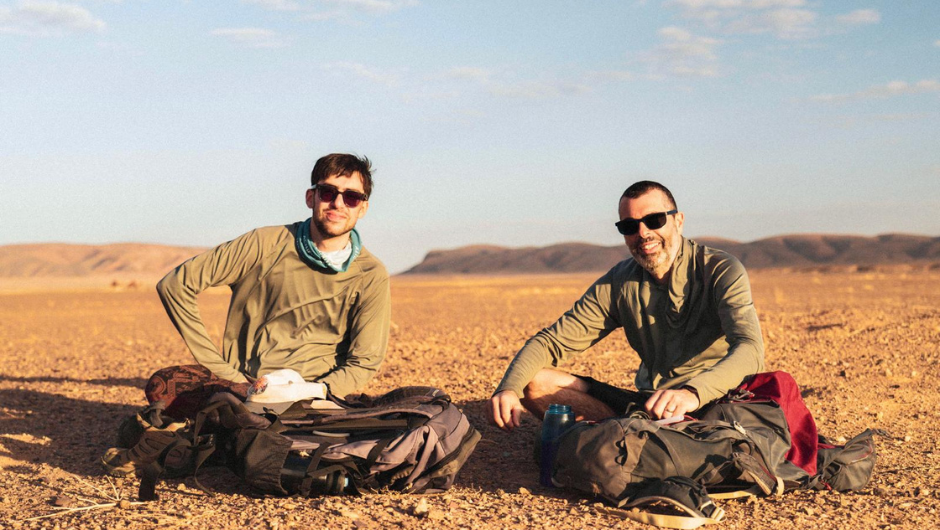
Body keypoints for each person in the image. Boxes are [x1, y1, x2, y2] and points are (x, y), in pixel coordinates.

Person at [488, 181, 764, 430]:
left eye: (654, 220)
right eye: (629, 226)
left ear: (678, 221)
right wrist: (507, 388)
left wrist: (692, 393)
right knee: (536, 383)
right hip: (648, 403)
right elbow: (551, 342)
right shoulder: (619, 282)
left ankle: (634, 438)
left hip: (713, 400)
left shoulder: (719, 269)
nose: (643, 233)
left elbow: (749, 348)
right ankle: (630, 437)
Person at [147, 153, 391, 418]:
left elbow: (364, 361)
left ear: (363, 208)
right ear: (311, 197)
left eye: (352, 197)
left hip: (313, 395)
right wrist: (224, 372)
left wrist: (316, 392)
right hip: (247, 389)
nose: (338, 203)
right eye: (328, 192)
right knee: (163, 385)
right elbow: (176, 284)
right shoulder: (264, 243)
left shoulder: (371, 274)